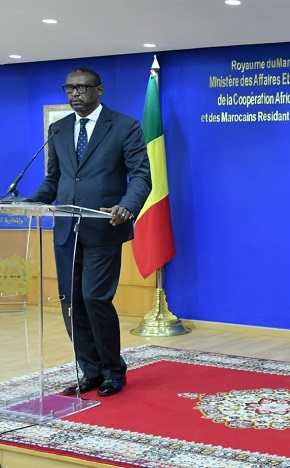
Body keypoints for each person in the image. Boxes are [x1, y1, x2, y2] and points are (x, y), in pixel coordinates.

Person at [30, 68, 151, 397]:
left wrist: (127, 206)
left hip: (104, 227)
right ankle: (91, 370)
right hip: (66, 230)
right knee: (71, 302)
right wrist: (31, 202)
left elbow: (141, 176)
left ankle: (113, 370)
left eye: (82, 88)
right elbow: (54, 180)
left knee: (95, 298)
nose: (75, 94)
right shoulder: (58, 129)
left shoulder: (124, 126)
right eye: (69, 88)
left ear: (99, 90)